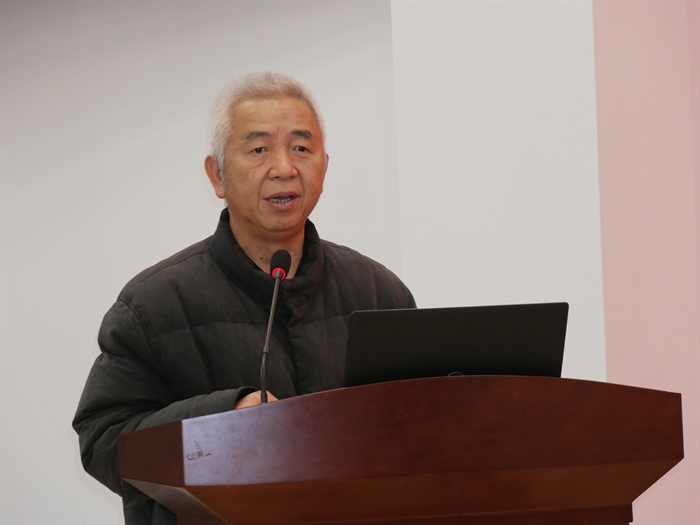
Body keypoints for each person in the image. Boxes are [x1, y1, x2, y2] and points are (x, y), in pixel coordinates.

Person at [73, 72, 416, 524]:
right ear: (217, 175)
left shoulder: (378, 291)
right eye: (258, 150)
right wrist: (224, 418)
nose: (284, 167)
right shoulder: (153, 305)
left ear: (324, 167)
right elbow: (103, 441)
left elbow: (419, 428)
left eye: (301, 147)